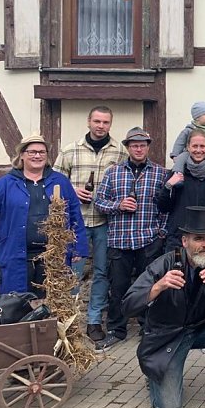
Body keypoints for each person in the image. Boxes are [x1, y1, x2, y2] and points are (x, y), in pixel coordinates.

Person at [122, 206, 205, 408]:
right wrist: (158, 286)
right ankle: (154, 376)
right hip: (167, 337)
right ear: (185, 241)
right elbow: (128, 305)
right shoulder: (164, 264)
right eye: (199, 239)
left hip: (199, 331)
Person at [54, 106, 127, 341]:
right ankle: (70, 322)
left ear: (110, 124)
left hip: (106, 222)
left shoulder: (120, 152)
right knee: (73, 273)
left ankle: (94, 321)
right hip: (77, 223)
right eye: (97, 121)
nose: (100, 126)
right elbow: (53, 181)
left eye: (105, 122)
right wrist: (71, 191)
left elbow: (125, 180)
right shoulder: (70, 150)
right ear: (88, 122)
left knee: (102, 272)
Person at [94, 127, 168, 351]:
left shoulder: (160, 173)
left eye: (143, 145)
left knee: (150, 287)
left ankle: (149, 327)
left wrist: (161, 233)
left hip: (148, 240)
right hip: (120, 240)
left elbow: (166, 208)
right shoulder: (113, 172)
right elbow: (99, 202)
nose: (139, 148)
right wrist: (119, 205)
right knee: (118, 288)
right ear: (127, 147)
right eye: (134, 145)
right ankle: (117, 330)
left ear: (148, 147)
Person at [0, 134, 88, 295]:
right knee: (16, 305)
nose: (37, 156)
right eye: (32, 152)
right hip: (14, 256)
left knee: (53, 305)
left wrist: (79, 248)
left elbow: (74, 215)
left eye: (42, 152)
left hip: (53, 257)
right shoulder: (4, 185)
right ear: (21, 155)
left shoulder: (60, 182)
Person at [157, 129, 205, 255]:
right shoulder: (177, 173)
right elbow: (163, 207)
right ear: (187, 147)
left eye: (202, 146)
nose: (198, 150)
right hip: (179, 238)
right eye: (194, 146)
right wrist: (168, 186)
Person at [170, 101, 205, 178]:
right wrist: (175, 155)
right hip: (188, 153)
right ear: (197, 117)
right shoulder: (188, 130)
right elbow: (179, 143)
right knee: (180, 159)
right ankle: (178, 175)